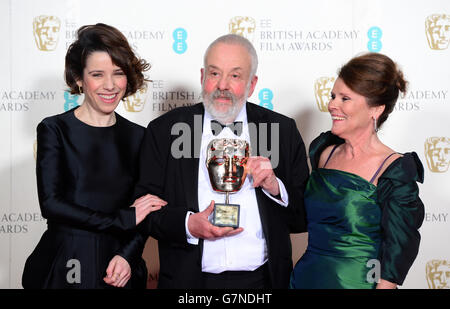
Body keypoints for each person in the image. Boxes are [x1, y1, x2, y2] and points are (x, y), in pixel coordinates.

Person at [134, 34, 309, 288]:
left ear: (252, 84)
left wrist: (275, 186)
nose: (222, 85)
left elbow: (304, 216)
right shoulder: (165, 130)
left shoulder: (281, 130)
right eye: (215, 74)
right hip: (190, 283)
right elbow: (145, 211)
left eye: (235, 76)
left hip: (263, 282)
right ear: (203, 76)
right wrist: (188, 224)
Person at [22, 23, 167, 289]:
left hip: (119, 267)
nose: (110, 85)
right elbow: (52, 204)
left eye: (118, 73)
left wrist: (128, 255)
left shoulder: (140, 137)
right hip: (66, 262)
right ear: (79, 78)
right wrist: (122, 219)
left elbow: (145, 209)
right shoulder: (54, 129)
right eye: (97, 74)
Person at [290, 53, 425, 289]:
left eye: (345, 98)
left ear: (376, 109)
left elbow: (396, 254)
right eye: (333, 96)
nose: (332, 105)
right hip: (305, 279)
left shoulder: (395, 171)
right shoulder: (323, 152)